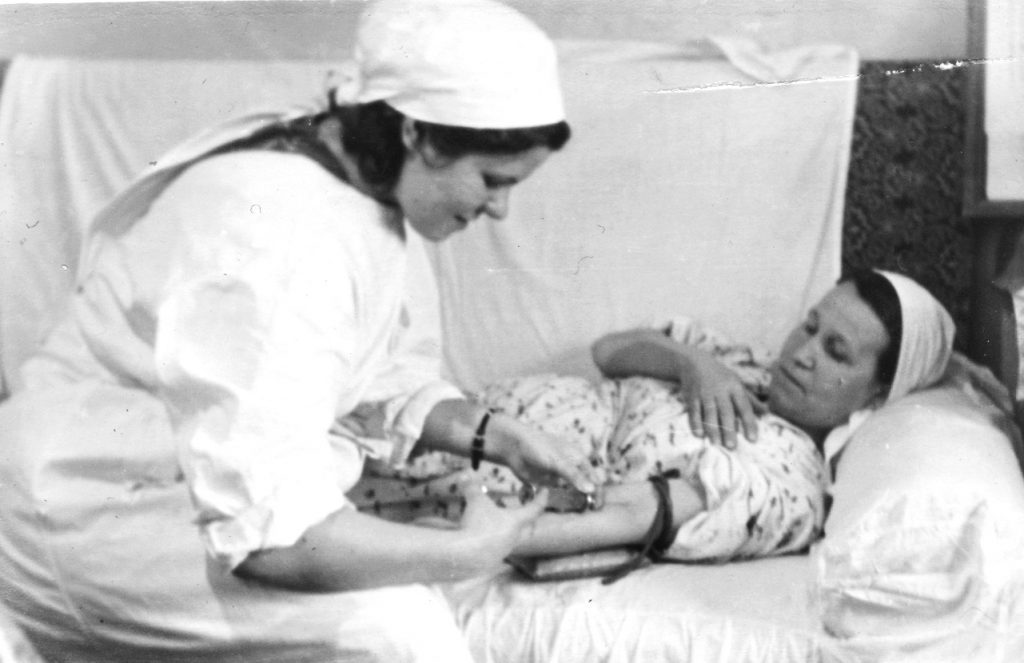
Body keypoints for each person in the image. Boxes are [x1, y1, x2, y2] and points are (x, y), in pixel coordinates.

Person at [0, 1, 597, 661]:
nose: (500, 208)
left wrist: (496, 435)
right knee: (397, 633)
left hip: (155, 478)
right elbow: (272, 540)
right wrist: (467, 551)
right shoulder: (280, 238)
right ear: (420, 137)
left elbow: (368, 375)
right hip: (79, 509)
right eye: (492, 179)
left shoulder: (355, 178)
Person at [357, 270, 955, 574]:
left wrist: (458, 548)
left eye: (836, 352)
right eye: (811, 326)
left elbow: (631, 514)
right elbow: (611, 351)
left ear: (878, 393)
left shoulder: (787, 482)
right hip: (455, 415)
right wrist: (695, 364)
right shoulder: (740, 364)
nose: (802, 353)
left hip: (469, 478)